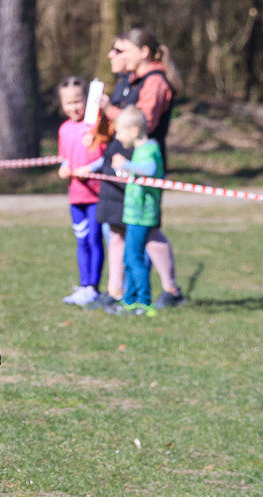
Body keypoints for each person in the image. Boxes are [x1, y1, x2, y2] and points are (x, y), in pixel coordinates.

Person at [89, 29, 185, 310]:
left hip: (140, 166)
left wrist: (110, 111)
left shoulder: (155, 82)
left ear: (143, 51)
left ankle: (171, 289)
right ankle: (116, 292)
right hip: (119, 165)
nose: (113, 56)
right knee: (117, 228)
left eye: (121, 50)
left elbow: (144, 123)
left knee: (147, 229)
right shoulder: (129, 80)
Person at [103, 106, 164, 316]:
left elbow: (149, 169)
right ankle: (130, 301)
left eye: (120, 131)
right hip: (132, 215)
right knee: (129, 258)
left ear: (135, 130)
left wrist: (127, 164)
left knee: (133, 257)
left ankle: (144, 303)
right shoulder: (140, 150)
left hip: (142, 216)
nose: (118, 137)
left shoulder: (149, 149)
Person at [56, 76, 105, 306]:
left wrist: (91, 167)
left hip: (96, 195)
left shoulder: (96, 124)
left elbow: (107, 154)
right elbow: (65, 157)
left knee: (95, 239)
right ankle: (84, 284)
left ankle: (93, 287)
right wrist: (64, 168)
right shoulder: (64, 129)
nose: (73, 107)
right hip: (76, 196)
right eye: (68, 103)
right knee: (81, 240)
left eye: (78, 101)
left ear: (87, 99)